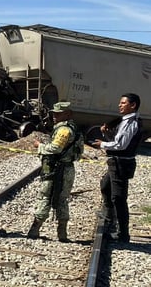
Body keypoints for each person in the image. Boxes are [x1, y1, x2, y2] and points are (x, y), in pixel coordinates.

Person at [26, 102, 84, 242]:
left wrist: (40, 146)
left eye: (58, 113)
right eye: (54, 113)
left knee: (45, 196)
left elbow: (55, 148)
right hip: (67, 168)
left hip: (57, 170)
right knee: (62, 199)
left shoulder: (64, 130)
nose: (54, 116)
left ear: (68, 114)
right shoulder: (74, 129)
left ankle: (34, 230)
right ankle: (62, 234)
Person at [91, 93, 142, 243]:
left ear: (132, 105)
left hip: (121, 164)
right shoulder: (125, 121)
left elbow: (121, 145)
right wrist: (107, 135)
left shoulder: (130, 122)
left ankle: (123, 233)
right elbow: (119, 141)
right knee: (106, 187)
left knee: (118, 198)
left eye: (123, 103)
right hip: (117, 162)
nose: (120, 105)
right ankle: (109, 217)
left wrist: (103, 144)